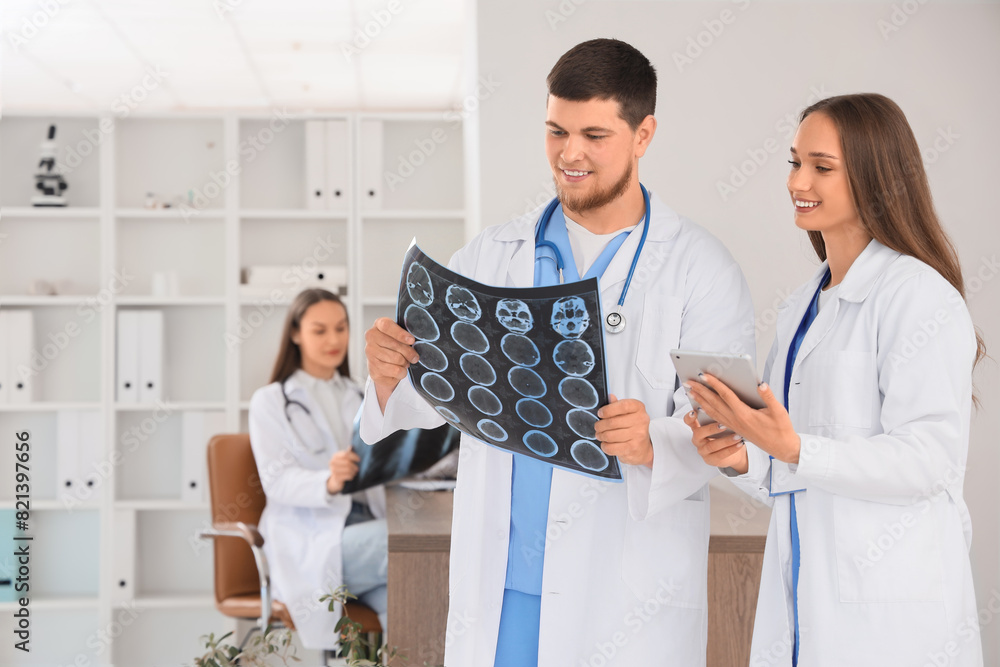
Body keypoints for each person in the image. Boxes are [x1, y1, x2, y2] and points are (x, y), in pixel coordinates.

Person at [361, 39, 755, 666]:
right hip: (505, 588)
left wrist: (655, 440)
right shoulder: (494, 255)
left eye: (594, 134)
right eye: (556, 131)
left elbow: (731, 429)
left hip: (623, 596)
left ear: (643, 134)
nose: (569, 153)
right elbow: (435, 397)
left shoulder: (700, 269)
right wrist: (389, 377)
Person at [685, 93, 986, 666]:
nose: (799, 180)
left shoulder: (919, 297)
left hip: (891, 623)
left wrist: (790, 446)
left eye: (822, 167)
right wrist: (740, 455)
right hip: (805, 610)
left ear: (876, 179)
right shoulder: (805, 305)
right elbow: (795, 468)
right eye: (795, 162)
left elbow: (928, 461)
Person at [248, 288, 388, 650]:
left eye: (341, 328)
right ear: (296, 333)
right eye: (320, 330)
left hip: (363, 526)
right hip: (309, 537)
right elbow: (276, 481)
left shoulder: (361, 396)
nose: (334, 339)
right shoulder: (271, 401)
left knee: (416, 596)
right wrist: (328, 480)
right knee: (407, 548)